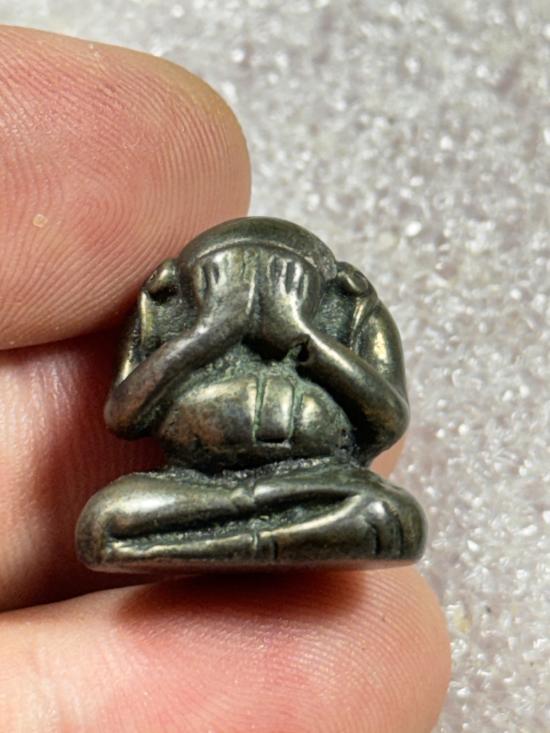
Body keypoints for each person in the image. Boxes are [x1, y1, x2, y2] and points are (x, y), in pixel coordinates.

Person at [0, 25, 450, 731]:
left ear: (322, 284)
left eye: (278, 275)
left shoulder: (348, 311)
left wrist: (303, 338)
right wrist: (207, 333)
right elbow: (125, 417)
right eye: (233, 275)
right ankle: (267, 534)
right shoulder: (168, 310)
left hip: (316, 479)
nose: (255, 290)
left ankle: (256, 531)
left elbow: (385, 421)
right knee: (105, 520)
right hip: (193, 485)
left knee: (388, 516)